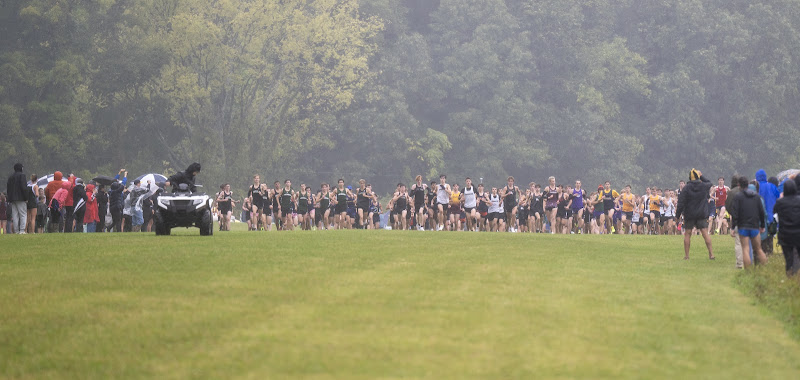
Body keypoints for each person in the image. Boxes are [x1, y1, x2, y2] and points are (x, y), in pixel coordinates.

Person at [676, 169, 715, 260]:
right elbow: (710, 183)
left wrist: (677, 215)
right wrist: (702, 176)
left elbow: (681, 203)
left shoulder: (686, 188)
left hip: (689, 214)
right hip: (701, 214)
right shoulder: (703, 186)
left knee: (687, 234)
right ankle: (711, 254)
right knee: (705, 233)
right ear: (698, 177)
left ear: (689, 177)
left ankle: (687, 256)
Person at [731, 176, 768, 268]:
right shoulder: (756, 197)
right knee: (758, 249)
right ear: (748, 184)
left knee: (745, 249)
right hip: (755, 226)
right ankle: (765, 269)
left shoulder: (738, 197)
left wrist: (733, 227)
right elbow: (761, 212)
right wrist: (762, 225)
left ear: (739, 185)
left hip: (743, 227)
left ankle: (748, 272)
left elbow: (735, 213)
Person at [775, 180, 800, 276]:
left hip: (785, 234)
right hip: (798, 234)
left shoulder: (780, 202)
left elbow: (775, 211)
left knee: (788, 258)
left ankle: (790, 275)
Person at [6, 163, 29, 234]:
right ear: (21, 168)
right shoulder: (22, 176)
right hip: (21, 198)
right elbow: (24, 187)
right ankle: (22, 230)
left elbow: (8, 189)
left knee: (15, 215)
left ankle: (16, 231)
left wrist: (9, 199)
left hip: (12, 199)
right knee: (23, 214)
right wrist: (26, 197)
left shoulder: (11, 177)